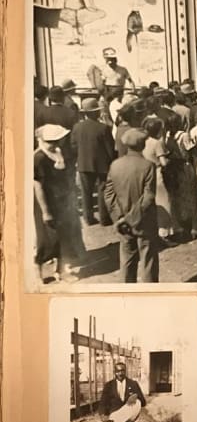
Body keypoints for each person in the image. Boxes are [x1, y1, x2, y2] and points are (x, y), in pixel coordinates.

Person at [104, 128, 159, 283]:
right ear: (143, 145)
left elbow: (108, 194)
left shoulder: (115, 165)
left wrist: (119, 218)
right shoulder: (148, 166)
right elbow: (148, 197)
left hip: (122, 222)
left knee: (127, 259)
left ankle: (127, 291)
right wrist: (131, 218)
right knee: (148, 260)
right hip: (144, 219)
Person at [33, 124, 85, 282]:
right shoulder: (39, 158)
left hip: (62, 202)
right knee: (45, 239)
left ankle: (60, 271)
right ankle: (37, 275)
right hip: (47, 203)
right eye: (51, 142)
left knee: (64, 237)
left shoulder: (58, 153)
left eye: (57, 141)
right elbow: (38, 186)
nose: (55, 144)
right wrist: (45, 211)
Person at [70, 97, 116, 225]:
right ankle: (104, 218)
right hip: (102, 164)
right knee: (102, 190)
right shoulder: (104, 128)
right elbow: (110, 149)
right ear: (95, 112)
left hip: (84, 163)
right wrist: (112, 161)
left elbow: (73, 146)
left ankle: (88, 218)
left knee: (86, 192)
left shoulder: (77, 127)